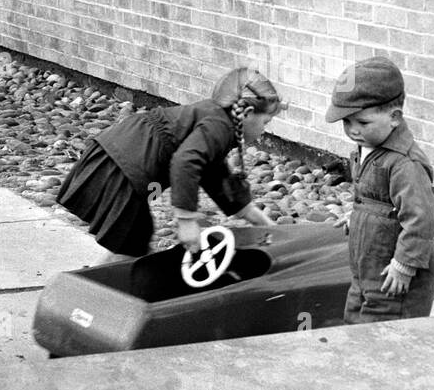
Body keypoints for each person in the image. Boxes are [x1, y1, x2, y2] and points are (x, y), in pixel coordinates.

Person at [56, 65, 280, 258]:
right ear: (248, 112)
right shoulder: (219, 126)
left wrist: (261, 222)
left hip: (117, 156)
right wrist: (187, 221)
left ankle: (97, 290)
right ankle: (96, 295)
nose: (262, 132)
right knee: (131, 247)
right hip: (124, 163)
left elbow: (214, 174)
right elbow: (186, 162)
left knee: (131, 243)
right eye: (265, 123)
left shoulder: (217, 122)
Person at [326, 55, 434, 323]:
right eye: (347, 122)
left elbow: (421, 218)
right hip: (366, 270)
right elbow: (375, 201)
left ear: (394, 117)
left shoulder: (403, 163)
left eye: (363, 123)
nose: (353, 130)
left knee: (387, 336)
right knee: (355, 326)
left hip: (394, 278)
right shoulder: (368, 149)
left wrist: (404, 265)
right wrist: (359, 215)